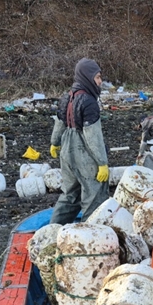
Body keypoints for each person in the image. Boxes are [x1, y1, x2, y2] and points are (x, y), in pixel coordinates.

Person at [49, 58, 111, 225]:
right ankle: (89, 233)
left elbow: (59, 121)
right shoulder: (89, 102)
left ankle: (53, 228)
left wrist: (54, 143)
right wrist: (102, 162)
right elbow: (93, 136)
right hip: (83, 150)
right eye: (97, 77)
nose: (100, 82)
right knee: (94, 195)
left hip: (66, 151)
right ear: (87, 77)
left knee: (70, 194)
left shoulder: (66, 97)